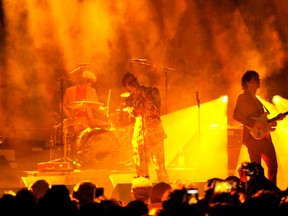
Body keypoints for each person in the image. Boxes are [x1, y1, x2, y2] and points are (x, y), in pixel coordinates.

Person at [233, 70, 285, 185]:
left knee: (273, 166)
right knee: (256, 170)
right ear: (247, 82)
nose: (258, 81)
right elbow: (236, 115)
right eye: (255, 79)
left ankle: (272, 192)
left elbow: (261, 121)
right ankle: (255, 192)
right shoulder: (243, 97)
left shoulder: (257, 100)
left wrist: (271, 121)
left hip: (265, 137)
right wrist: (253, 124)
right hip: (252, 138)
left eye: (258, 79)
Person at [122, 72, 169, 182]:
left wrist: (141, 92)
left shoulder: (153, 91)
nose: (133, 83)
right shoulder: (129, 100)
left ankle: (165, 192)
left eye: (134, 80)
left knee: (160, 167)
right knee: (141, 170)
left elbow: (156, 109)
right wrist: (136, 95)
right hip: (140, 135)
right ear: (127, 87)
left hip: (155, 133)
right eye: (130, 83)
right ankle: (142, 192)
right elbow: (134, 112)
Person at [63, 70, 106, 136]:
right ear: (81, 82)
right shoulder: (70, 91)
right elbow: (63, 106)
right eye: (86, 84)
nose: (88, 86)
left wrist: (104, 110)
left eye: (90, 84)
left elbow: (96, 105)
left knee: (104, 125)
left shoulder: (92, 91)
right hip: (75, 119)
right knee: (87, 130)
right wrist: (69, 116)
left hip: (89, 118)